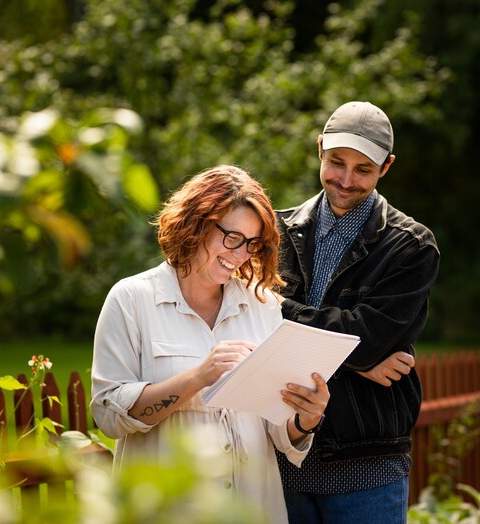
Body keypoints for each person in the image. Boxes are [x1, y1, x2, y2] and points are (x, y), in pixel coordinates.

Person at [90, 165, 331, 523]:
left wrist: (306, 417)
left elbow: (279, 434)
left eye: (251, 244)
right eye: (231, 237)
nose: (239, 255)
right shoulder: (131, 299)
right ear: (195, 223)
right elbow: (110, 417)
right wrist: (198, 377)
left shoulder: (263, 306)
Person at [275, 101, 440, 523]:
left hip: (366, 463)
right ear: (319, 150)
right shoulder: (273, 232)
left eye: (363, 169)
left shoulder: (411, 246)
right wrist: (355, 361)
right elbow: (238, 325)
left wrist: (272, 307)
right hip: (281, 452)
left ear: (386, 167)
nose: (346, 180)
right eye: (336, 163)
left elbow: (366, 341)